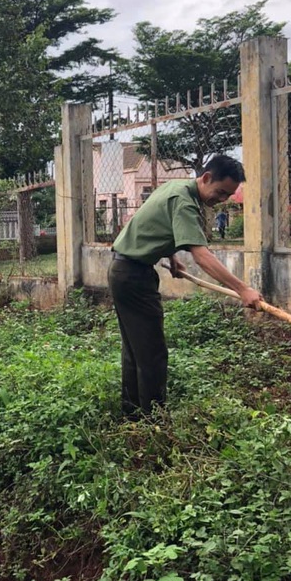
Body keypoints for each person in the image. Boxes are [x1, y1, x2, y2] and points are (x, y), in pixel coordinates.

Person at [108, 155, 262, 419]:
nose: (222, 199)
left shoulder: (176, 187)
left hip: (126, 270)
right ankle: (153, 421)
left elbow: (156, 223)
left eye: (228, 195)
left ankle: (132, 415)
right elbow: (202, 255)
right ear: (205, 178)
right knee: (152, 353)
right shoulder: (184, 201)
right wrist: (242, 289)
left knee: (135, 350)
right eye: (220, 192)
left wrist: (171, 256)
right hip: (133, 276)